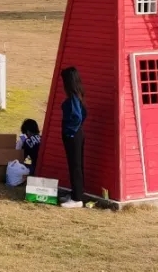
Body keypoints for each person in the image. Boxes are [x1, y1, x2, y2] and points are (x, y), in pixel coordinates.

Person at [60, 66, 87, 208]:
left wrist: (70, 131)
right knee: (75, 165)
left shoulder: (73, 98)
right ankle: (76, 193)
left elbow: (77, 116)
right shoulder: (78, 96)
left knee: (75, 165)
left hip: (73, 135)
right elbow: (84, 113)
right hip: (77, 134)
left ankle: (77, 199)